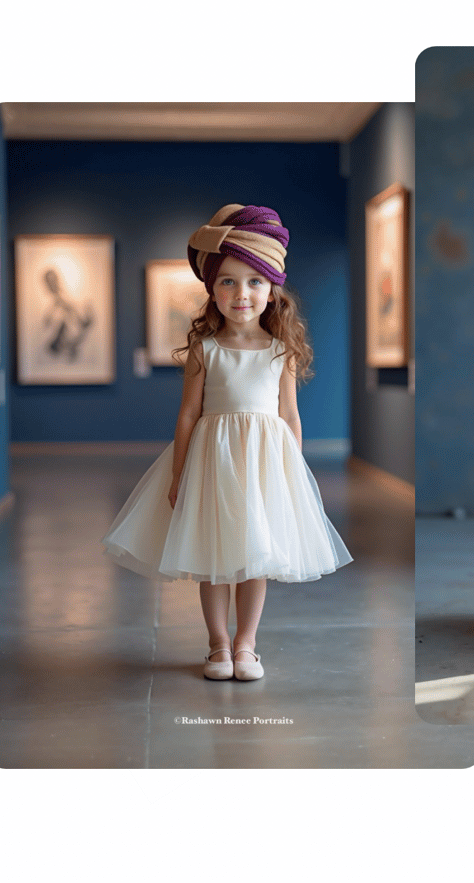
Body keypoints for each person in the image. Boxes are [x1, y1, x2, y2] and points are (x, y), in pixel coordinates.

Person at [103, 204, 352, 681]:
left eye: (254, 282)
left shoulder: (281, 351)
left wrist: (291, 477)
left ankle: (246, 645)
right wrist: (178, 475)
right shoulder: (206, 349)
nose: (242, 294)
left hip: (263, 467)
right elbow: (189, 414)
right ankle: (217, 645)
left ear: (272, 290)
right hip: (213, 464)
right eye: (229, 282)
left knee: (255, 555)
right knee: (214, 559)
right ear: (212, 290)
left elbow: (290, 417)